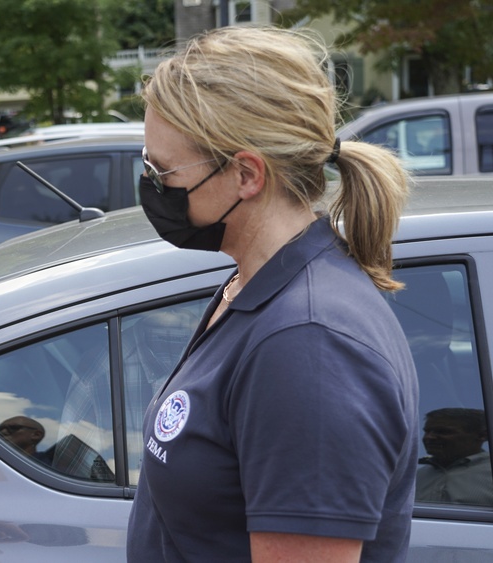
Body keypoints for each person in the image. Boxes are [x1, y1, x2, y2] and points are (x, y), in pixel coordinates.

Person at [129, 26, 418, 562]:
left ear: (246, 174)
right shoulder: (258, 285)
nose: (152, 184)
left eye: (162, 170)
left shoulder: (310, 346)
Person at [417, 408, 493, 506]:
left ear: (482, 435)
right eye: (427, 431)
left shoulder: (489, 472)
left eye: (443, 432)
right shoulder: (416, 476)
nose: (429, 437)